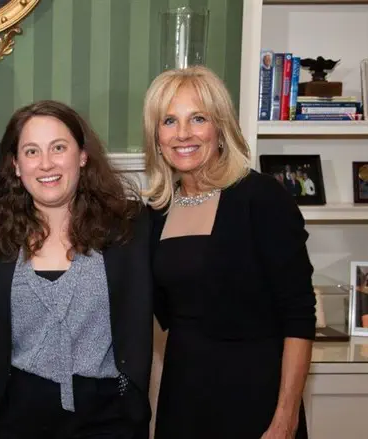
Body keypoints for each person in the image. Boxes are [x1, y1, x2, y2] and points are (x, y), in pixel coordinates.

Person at [143, 66, 316, 439]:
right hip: (184, 401)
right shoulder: (156, 213)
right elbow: (167, 317)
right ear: (157, 137)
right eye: (169, 121)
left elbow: (299, 315)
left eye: (198, 118)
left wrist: (285, 418)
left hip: (257, 401)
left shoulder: (262, 197)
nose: (183, 133)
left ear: (219, 128)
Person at [0, 100, 153, 439]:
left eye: (58, 148)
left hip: (108, 418)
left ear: (82, 155)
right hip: (18, 417)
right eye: (31, 152)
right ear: (16, 165)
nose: (46, 163)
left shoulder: (128, 230)